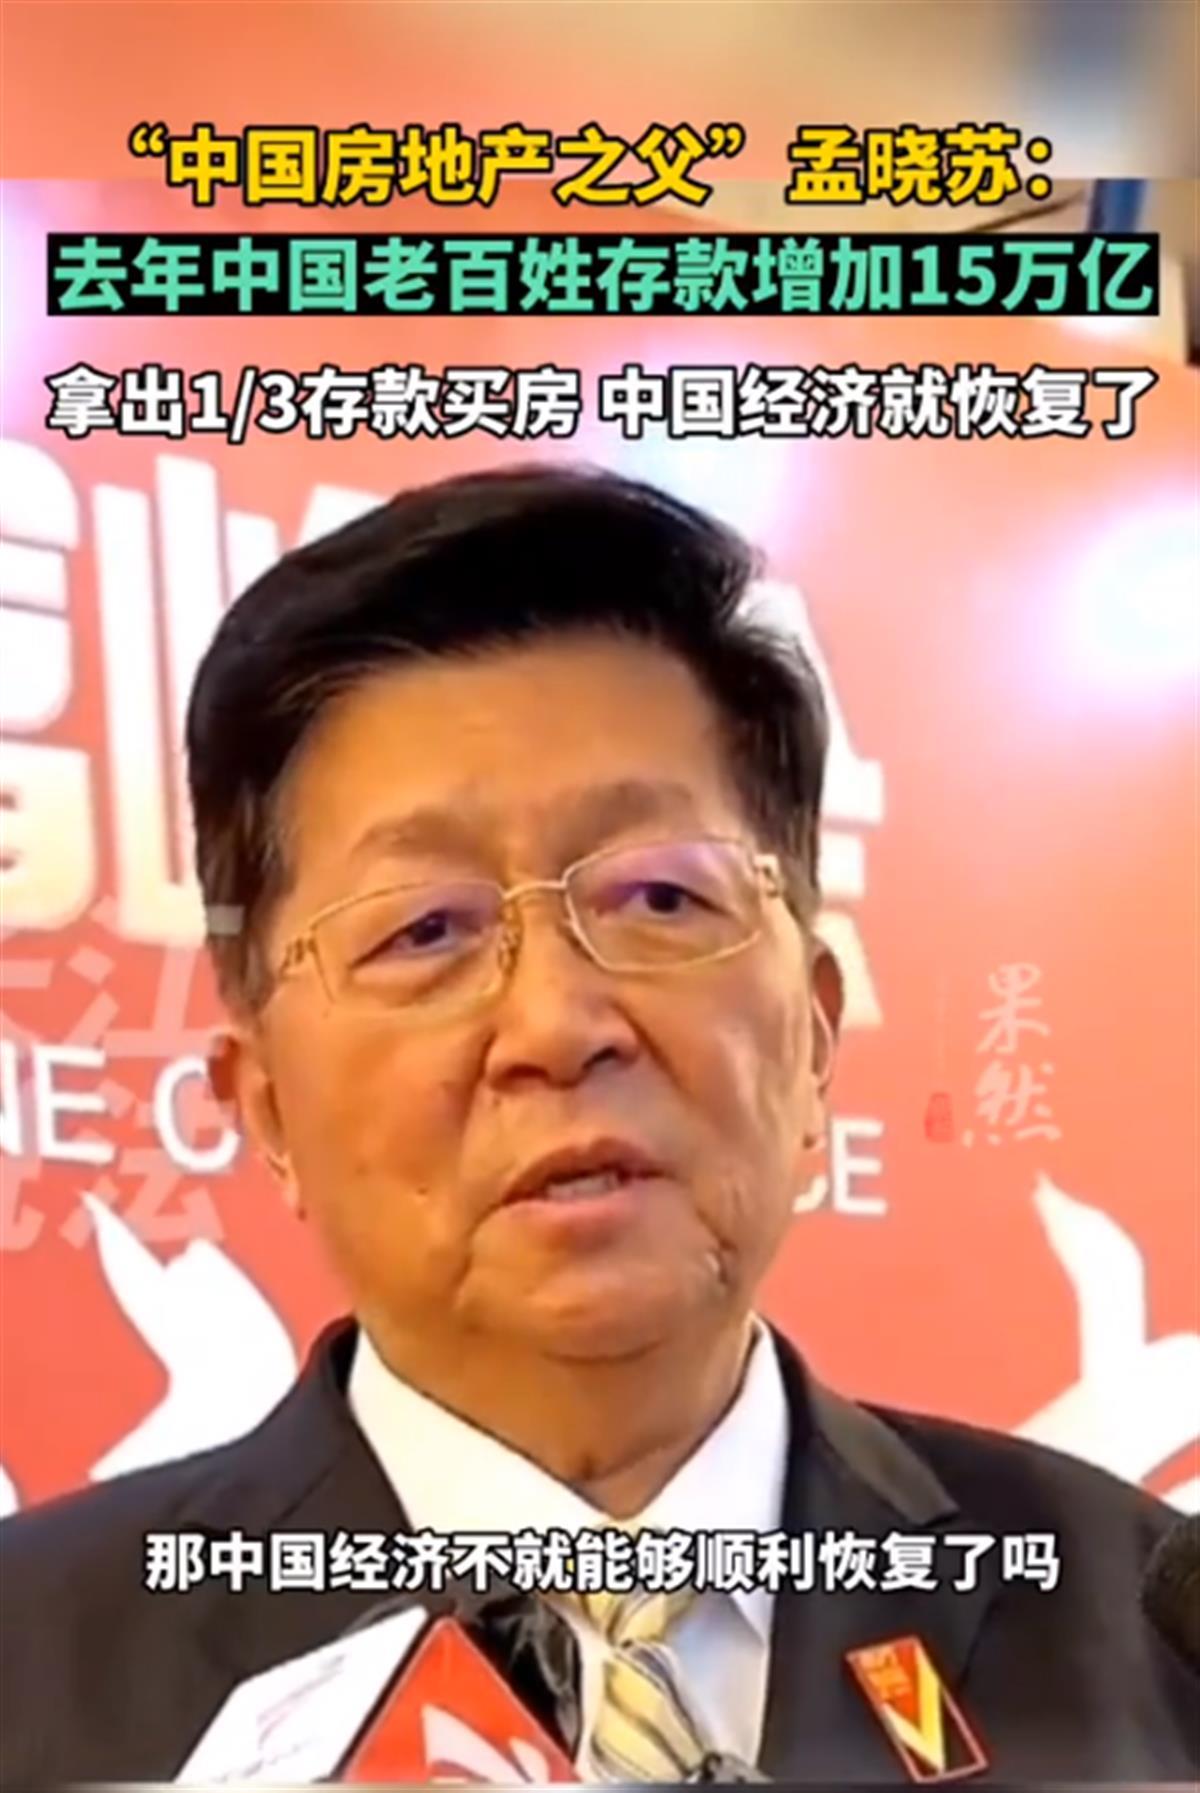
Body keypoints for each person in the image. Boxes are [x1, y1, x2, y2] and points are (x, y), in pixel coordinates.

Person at [0, 464, 1194, 1787]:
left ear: (811, 1035)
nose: (559, 1024)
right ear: (265, 1103)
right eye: (425, 929)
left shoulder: (1144, 1632)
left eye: (662, 898)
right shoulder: (31, 1669)